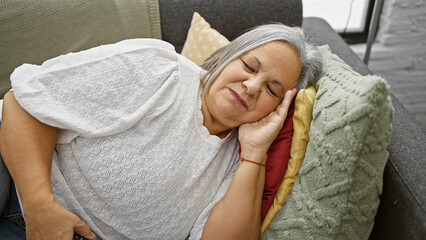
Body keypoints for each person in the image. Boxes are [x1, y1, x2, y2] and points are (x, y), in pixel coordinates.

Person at [0, 23, 322, 240]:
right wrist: (40, 206)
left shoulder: (240, 167)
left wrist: (254, 154)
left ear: (280, 109)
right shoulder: (161, 69)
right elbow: (22, 103)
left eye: (271, 90)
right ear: (226, 58)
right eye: (250, 67)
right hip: (16, 189)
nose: (251, 87)